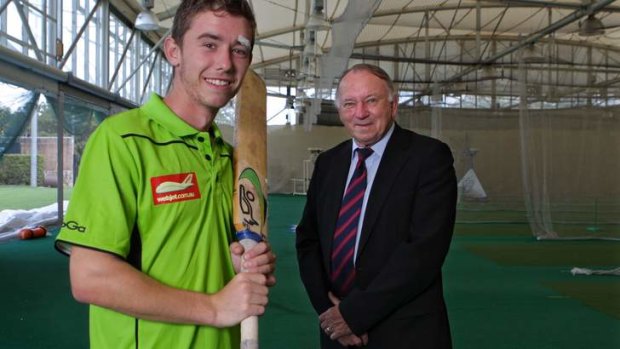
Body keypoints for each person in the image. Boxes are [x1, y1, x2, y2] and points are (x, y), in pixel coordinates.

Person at [55, 1, 275, 348]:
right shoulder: (122, 141)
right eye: (209, 44)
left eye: (239, 49)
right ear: (174, 50)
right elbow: (89, 277)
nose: (225, 62)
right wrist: (215, 308)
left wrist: (236, 261)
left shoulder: (228, 157)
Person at [296, 63, 457, 349]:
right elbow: (308, 240)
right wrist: (328, 309)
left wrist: (354, 315)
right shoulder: (328, 163)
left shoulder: (429, 158)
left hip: (404, 331)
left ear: (393, 106)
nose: (360, 113)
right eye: (349, 103)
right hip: (336, 331)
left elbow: (424, 250)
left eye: (371, 100)